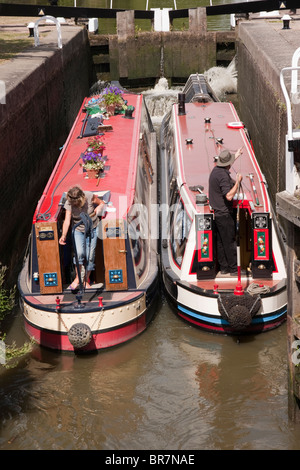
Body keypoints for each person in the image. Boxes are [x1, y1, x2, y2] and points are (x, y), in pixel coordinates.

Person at [59, 186, 106, 289]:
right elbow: (67, 220)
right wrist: (63, 236)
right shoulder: (68, 202)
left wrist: (99, 207)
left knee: (90, 256)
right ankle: (78, 278)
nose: (75, 205)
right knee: (79, 253)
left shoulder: (89, 196)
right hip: (78, 230)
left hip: (93, 228)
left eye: (76, 203)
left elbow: (102, 203)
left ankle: (85, 281)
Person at [208, 147, 243, 276]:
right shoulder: (223, 176)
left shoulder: (216, 171)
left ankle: (224, 268)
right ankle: (234, 269)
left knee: (221, 242)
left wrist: (237, 154)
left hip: (217, 213)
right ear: (227, 164)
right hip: (224, 213)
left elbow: (228, 163)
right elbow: (228, 196)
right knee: (229, 241)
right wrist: (237, 182)